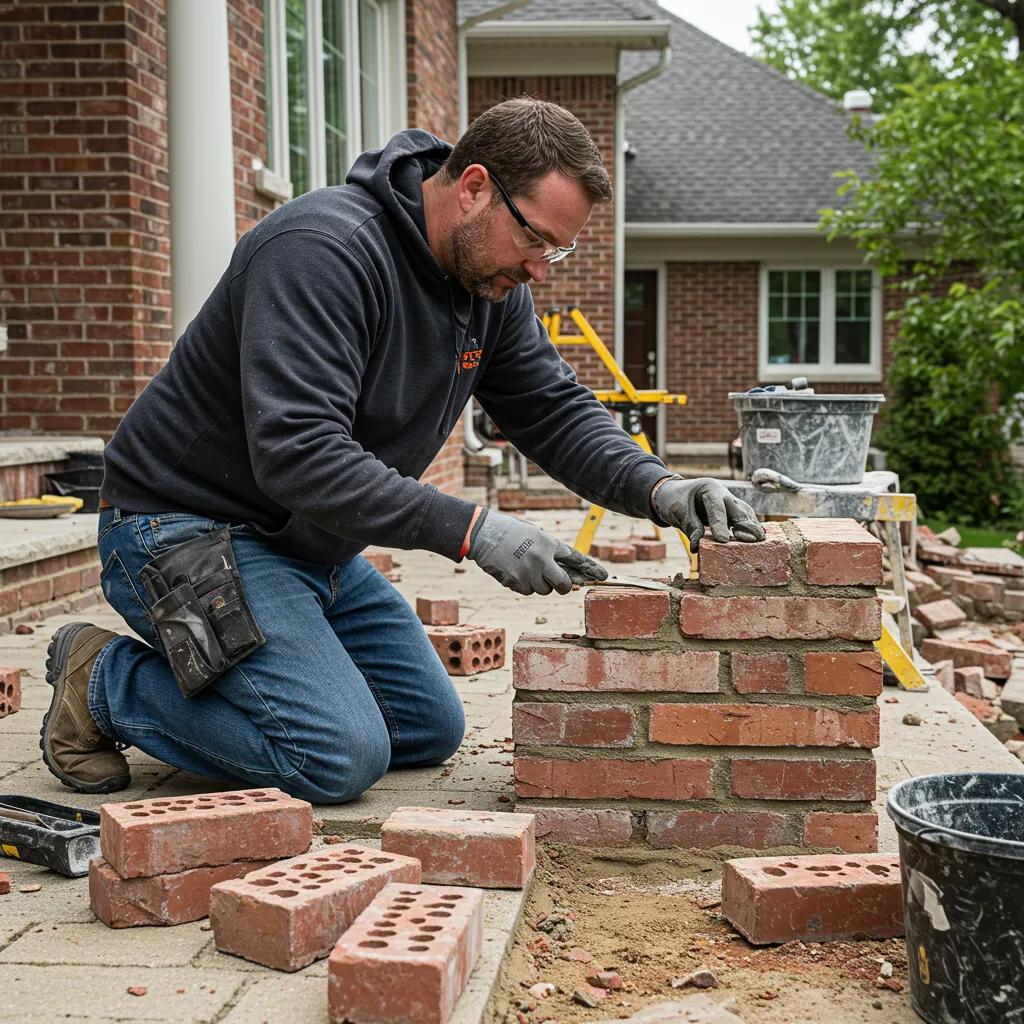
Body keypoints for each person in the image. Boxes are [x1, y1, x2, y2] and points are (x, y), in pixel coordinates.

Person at [39, 98, 765, 801]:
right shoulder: (322, 252)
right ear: (475, 187)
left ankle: (255, 683)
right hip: (181, 530)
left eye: (558, 248)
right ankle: (102, 680)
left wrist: (660, 489)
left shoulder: (490, 290)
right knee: (334, 755)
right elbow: (298, 452)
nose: (541, 268)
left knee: (426, 728)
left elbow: (550, 409)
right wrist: (473, 531)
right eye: (537, 239)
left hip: (306, 547)